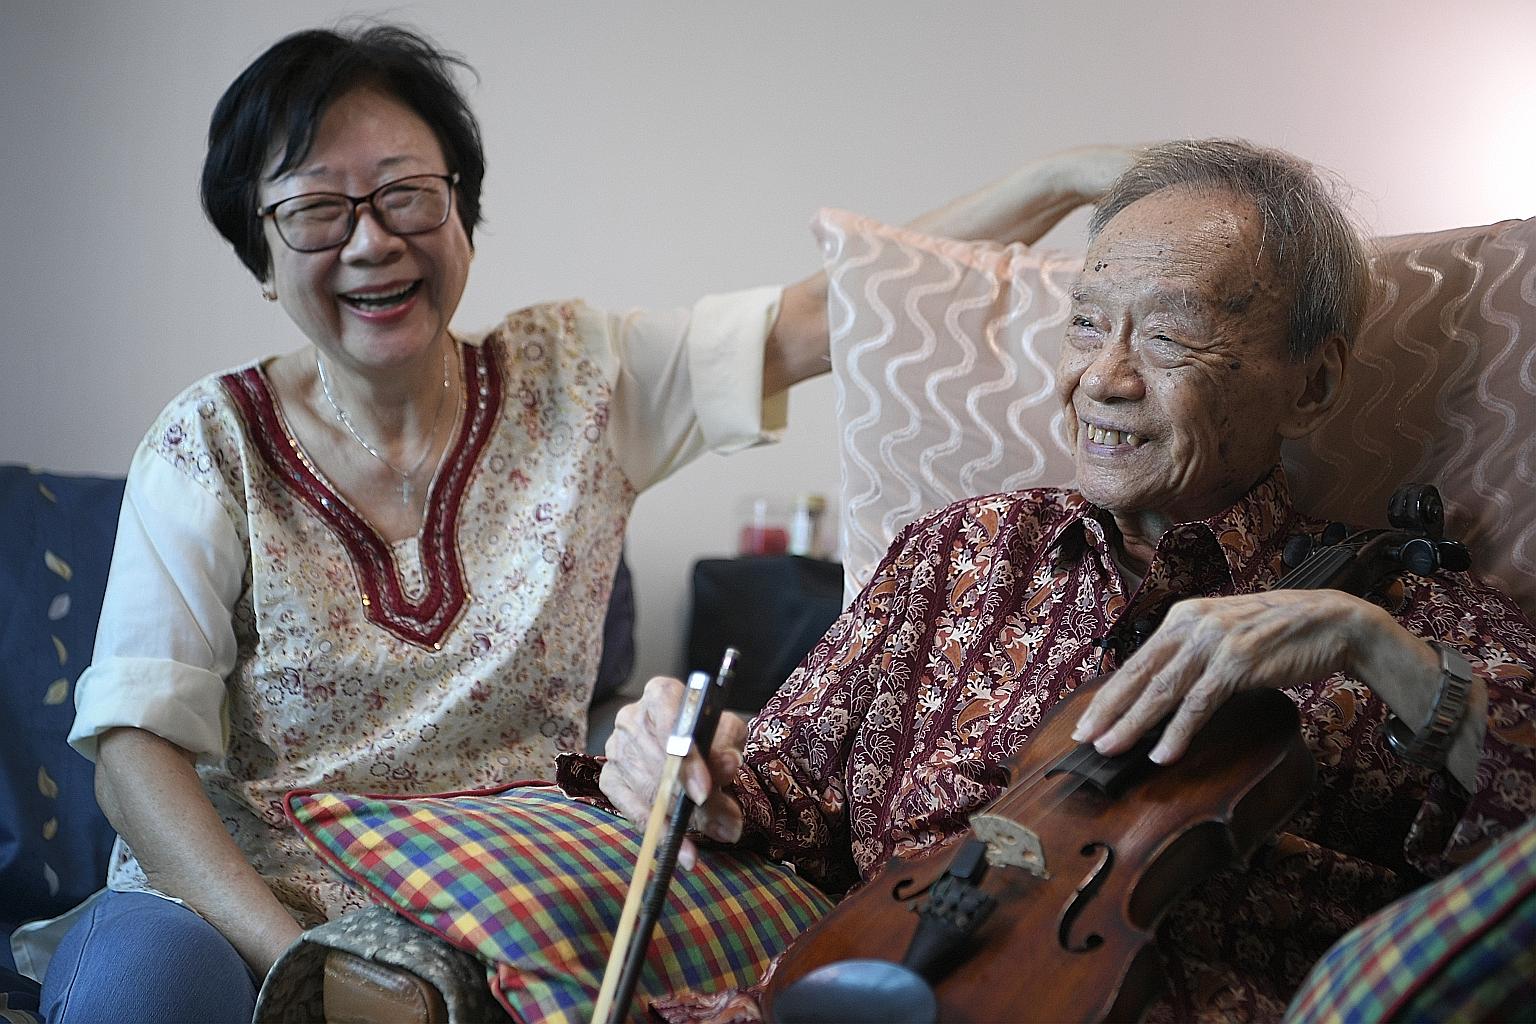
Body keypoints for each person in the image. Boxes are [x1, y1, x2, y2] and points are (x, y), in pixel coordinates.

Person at [30, 21, 1131, 1024]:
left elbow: (847, 304)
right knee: (145, 990)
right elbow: (135, 751)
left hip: (507, 886)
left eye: (407, 194)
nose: (371, 242)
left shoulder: (581, 377)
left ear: (462, 212)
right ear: (261, 255)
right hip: (236, 891)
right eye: (318, 210)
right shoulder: (210, 441)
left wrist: (1064, 180)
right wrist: (296, 965)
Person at [599, 139, 1536, 1022]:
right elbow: (779, 794)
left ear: (1313, 386)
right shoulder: (961, 551)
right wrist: (687, 765)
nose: (1103, 379)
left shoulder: (1405, 619)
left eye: (1169, 337)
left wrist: (1376, 651)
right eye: (1087, 325)